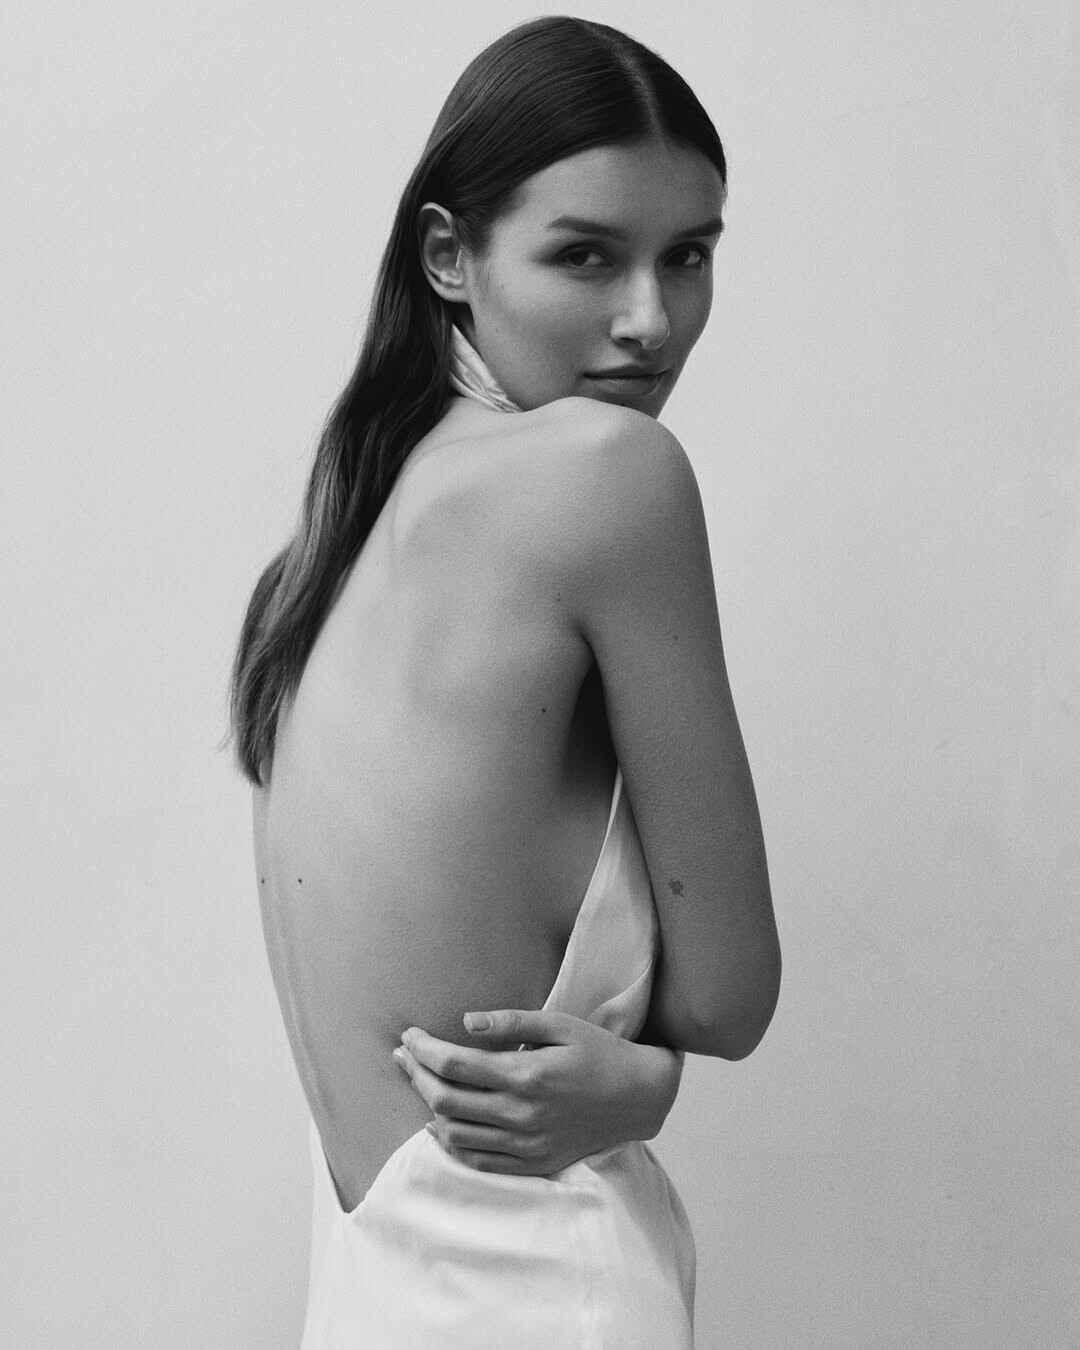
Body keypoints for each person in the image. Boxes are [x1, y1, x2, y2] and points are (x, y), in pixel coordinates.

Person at [229, 15, 780, 1348]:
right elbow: (730, 994)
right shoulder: (611, 475)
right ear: (449, 256)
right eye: (586, 255)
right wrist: (648, 1082)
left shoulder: (333, 544)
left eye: (689, 255)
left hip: (370, 1293)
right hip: (538, 1286)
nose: (650, 321)